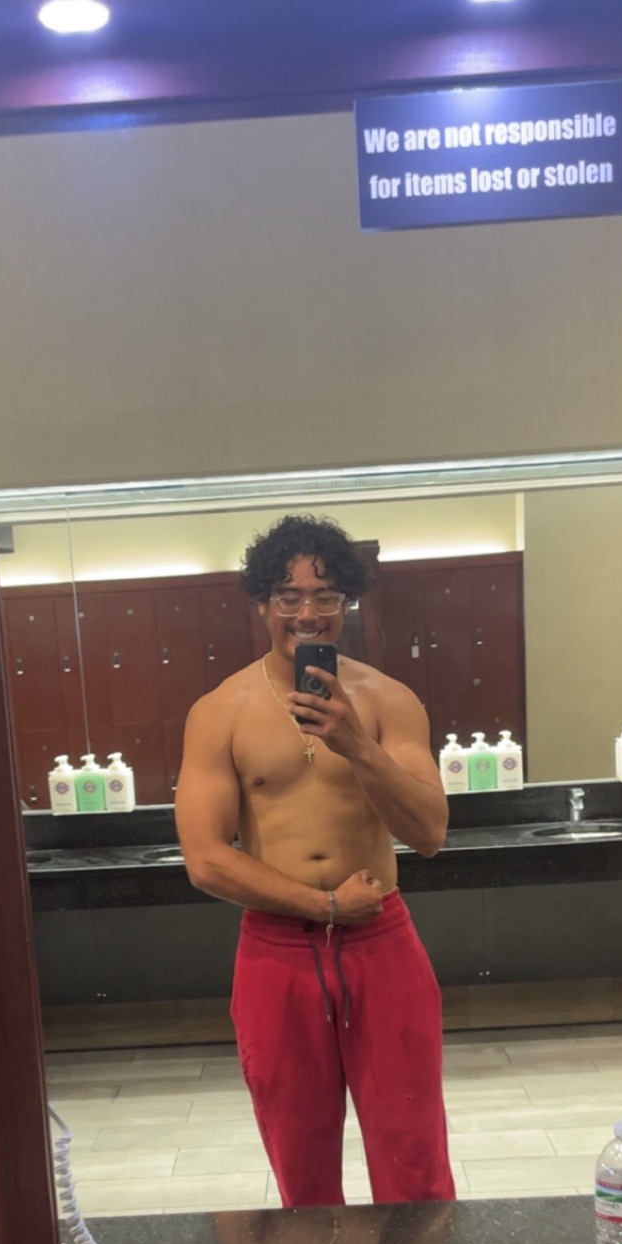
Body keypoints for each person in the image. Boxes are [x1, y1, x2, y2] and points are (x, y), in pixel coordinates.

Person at [175, 513, 456, 1208]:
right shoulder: (220, 711)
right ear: (262, 603)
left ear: (346, 602)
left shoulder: (389, 702)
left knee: (414, 1153)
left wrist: (355, 744)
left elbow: (429, 832)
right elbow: (206, 860)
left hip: (382, 945)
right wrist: (325, 906)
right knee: (299, 1160)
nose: (307, 613)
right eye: (289, 596)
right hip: (278, 952)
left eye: (325, 595)